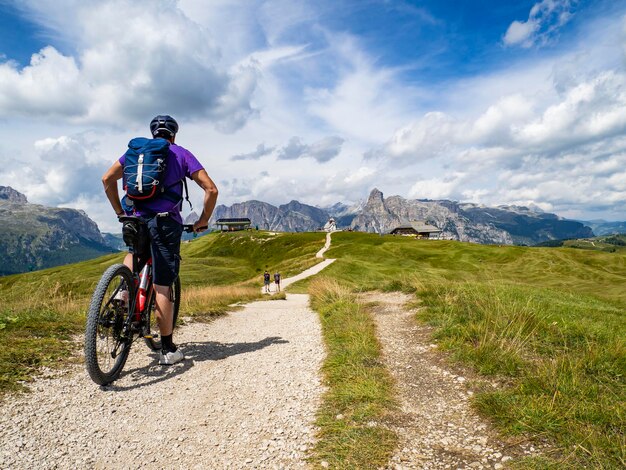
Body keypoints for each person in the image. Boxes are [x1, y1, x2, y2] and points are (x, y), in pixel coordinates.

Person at [102, 115, 218, 365]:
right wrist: (203, 220)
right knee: (163, 285)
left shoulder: (136, 152)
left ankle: (123, 291)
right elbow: (211, 189)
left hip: (134, 217)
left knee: (134, 252)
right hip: (166, 222)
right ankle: (167, 349)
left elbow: (107, 179)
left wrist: (119, 213)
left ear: (153, 133)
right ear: (174, 135)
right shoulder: (180, 153)